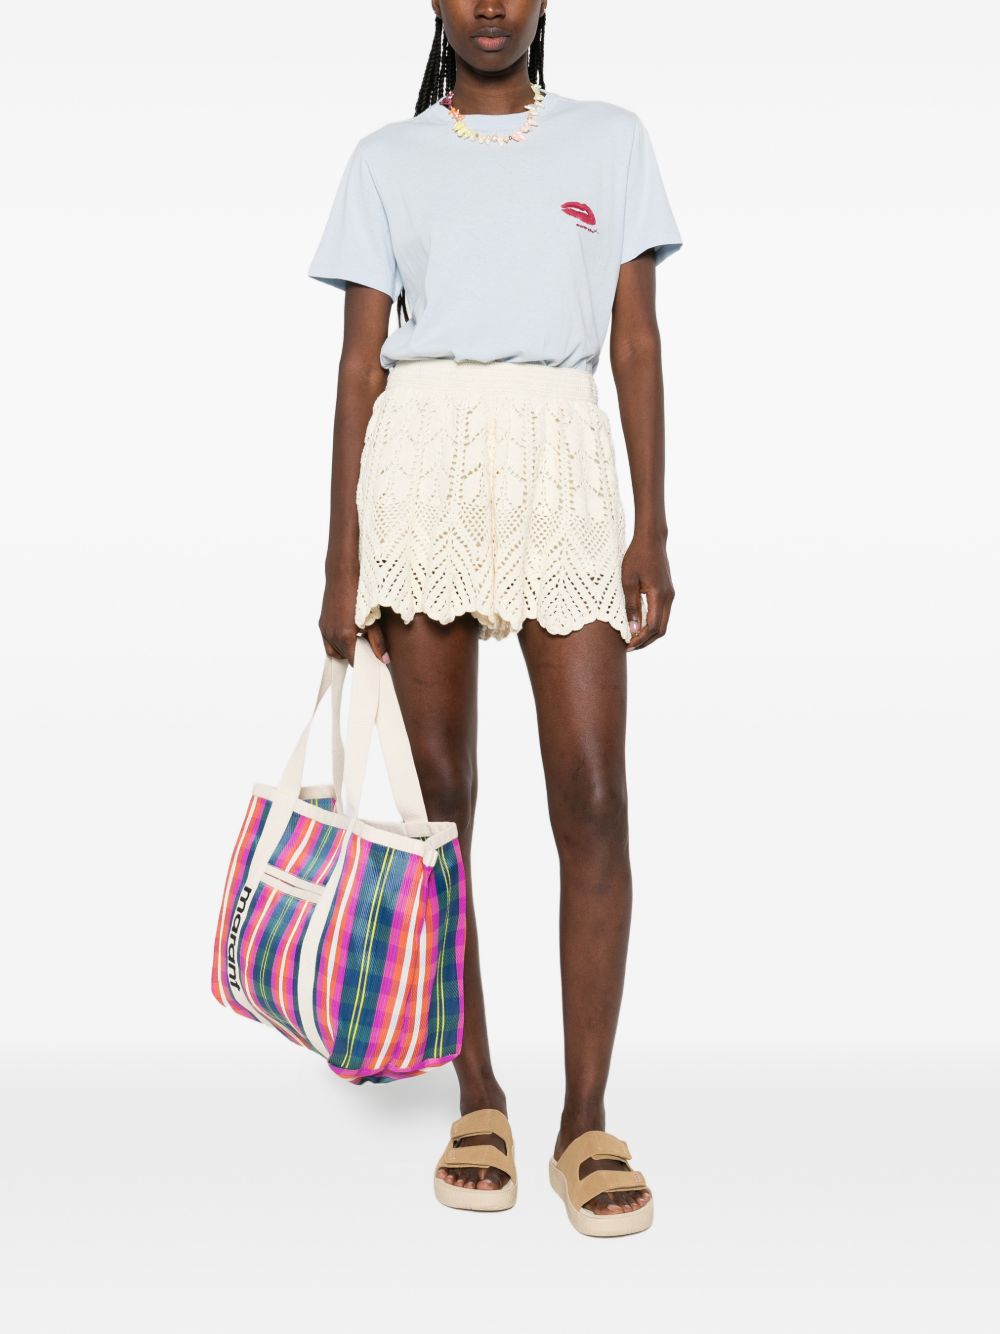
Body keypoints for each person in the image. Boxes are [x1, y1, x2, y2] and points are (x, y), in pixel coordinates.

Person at [310, 0, 681, 1238]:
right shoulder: (386, 157)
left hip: (562, 461)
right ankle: (477, 1091)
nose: (489, 7)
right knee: (442, 803)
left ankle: (587, 1117)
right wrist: (341, 554)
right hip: (421, 462)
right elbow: (359, 362)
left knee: (592, 792)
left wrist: (651, 524)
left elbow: (635, 340)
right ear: (434, 3)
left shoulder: (610, 140)